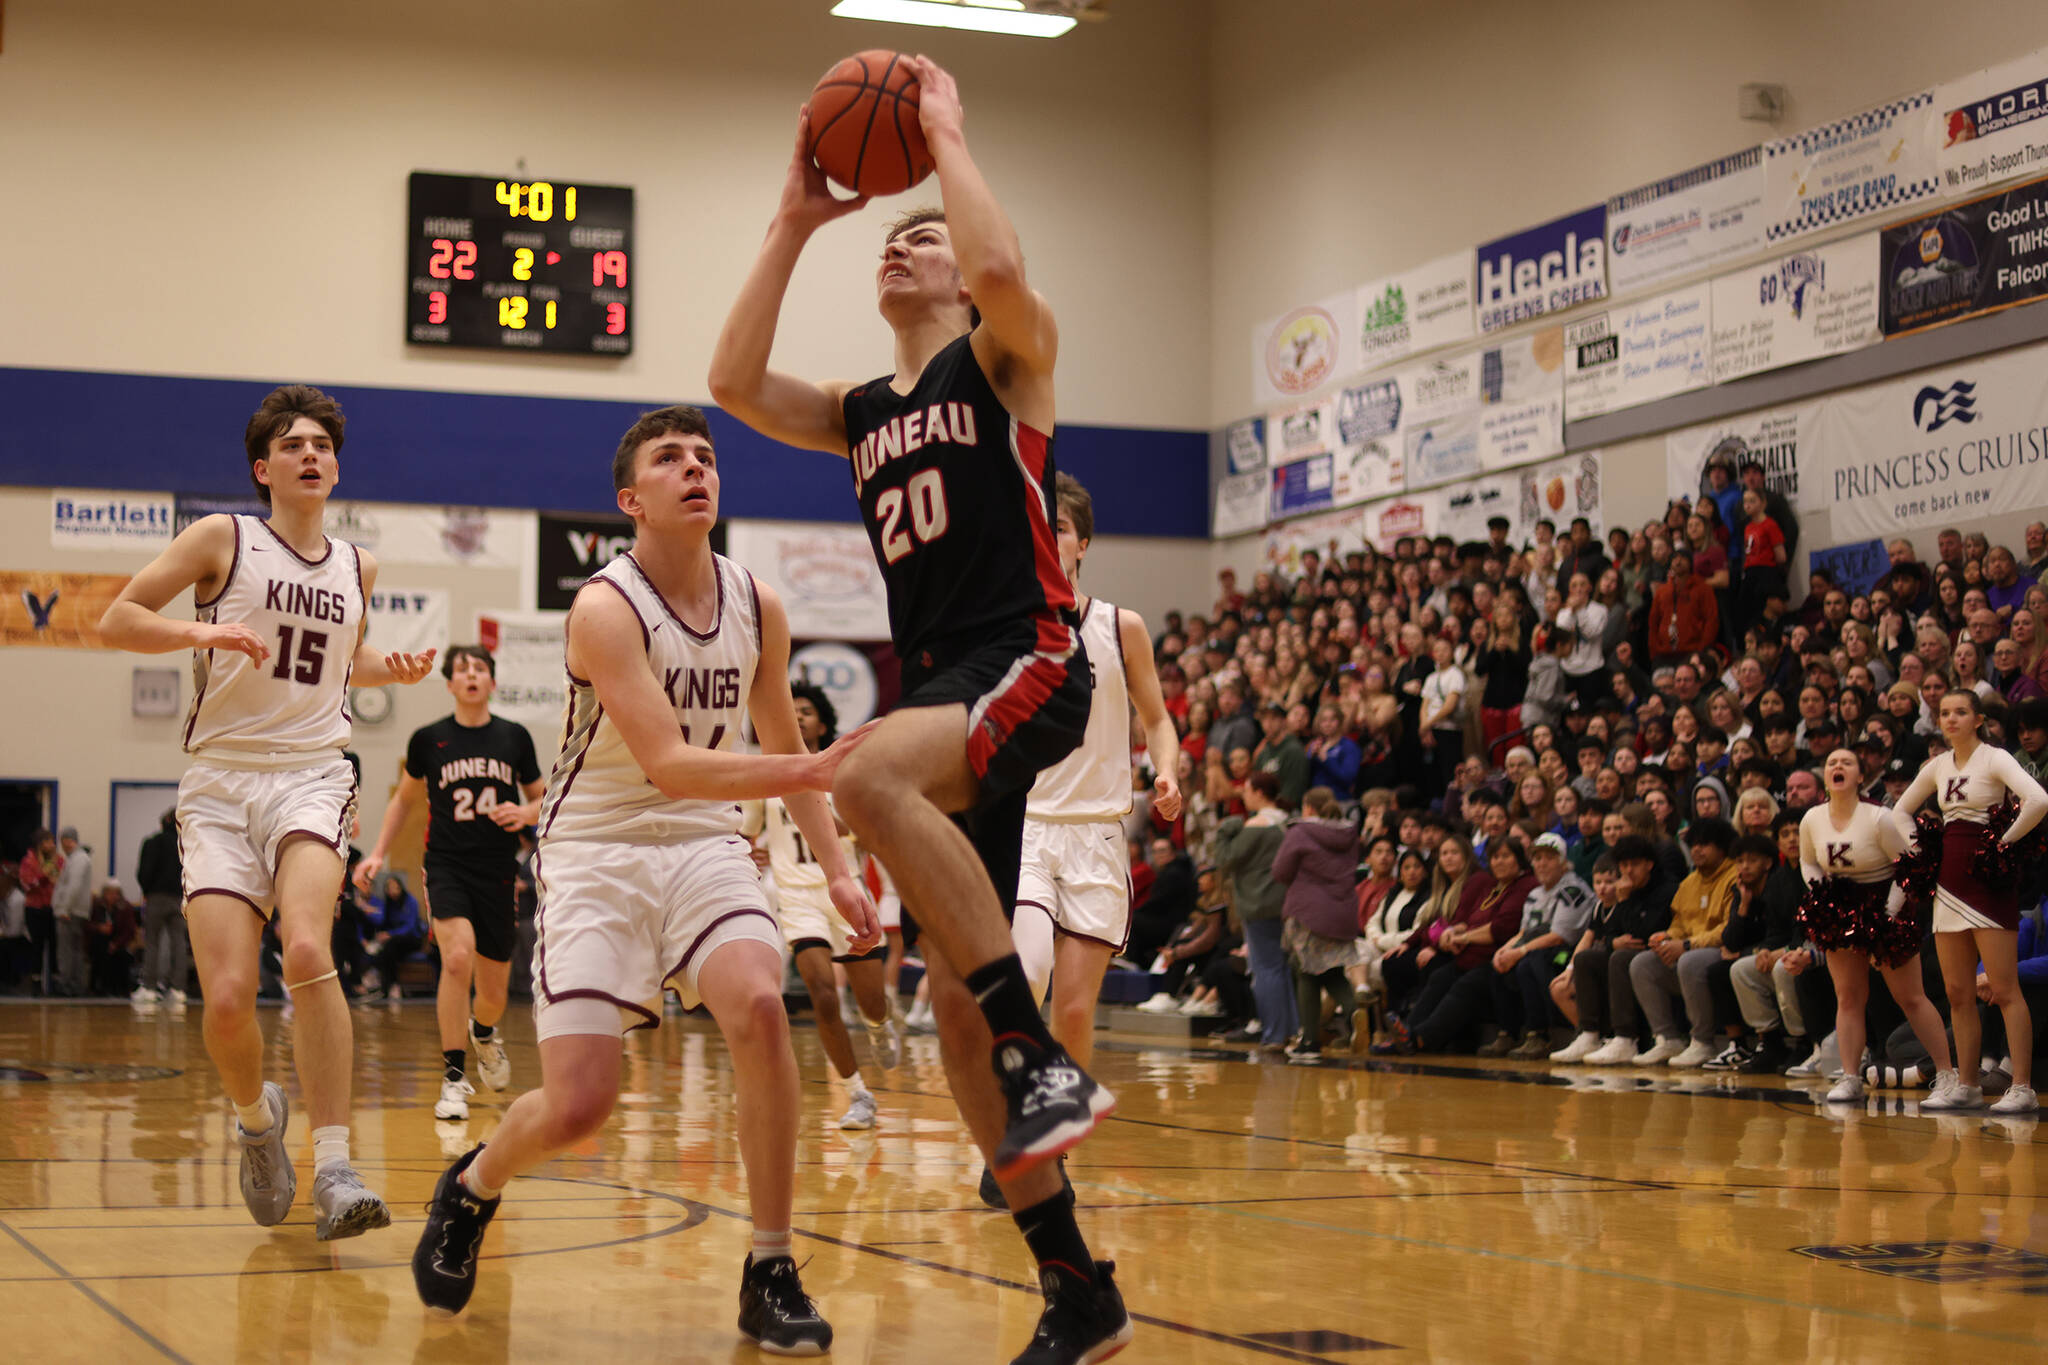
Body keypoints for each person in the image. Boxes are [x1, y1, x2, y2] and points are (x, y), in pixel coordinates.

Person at [708, 67, 1136, 1347]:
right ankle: (1076, 1286)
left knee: (861, 775)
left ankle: (1039, 1047)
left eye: (925, 233)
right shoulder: (859, 412)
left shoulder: (1005, 355)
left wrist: (944, 134)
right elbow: (731, 382)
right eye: (890, 236)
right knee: (950, 1026)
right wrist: (794, 220)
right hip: (948, 691)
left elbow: (1004, 273)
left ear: (963, 271)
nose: (903, 242)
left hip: (1029, 659)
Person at [410, 405, 879, 1352]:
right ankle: (471, 1187)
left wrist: (836, 867)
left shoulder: (759, 602)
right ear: (632, 499)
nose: (696, 468)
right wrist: (814, 773)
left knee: (756, 1003)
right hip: (597, 848)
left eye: (706, 456)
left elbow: (784, 738)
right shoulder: (603, 607)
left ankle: (771, 1264)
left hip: (707, 841)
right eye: (671, 459)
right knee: (582, 1106)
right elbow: (668, 761)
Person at [98, 384, 438, 1240]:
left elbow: (339, 661)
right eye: (293, 444)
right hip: (218, 782)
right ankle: (257, 1123)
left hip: (314, 773)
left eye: (324, 443)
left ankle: (334, 1164)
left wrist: (385, 668)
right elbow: (116, 619)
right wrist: (200, 635)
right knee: (225, 1000)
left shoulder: (359, 565)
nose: (312, 454)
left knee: (312, 944)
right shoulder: (224, 538)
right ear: (264, 467)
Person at [356, 645, 545, 1120]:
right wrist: (378, 852)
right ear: (450, 685)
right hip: (446, 865)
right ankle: (454, 1078)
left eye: (480, 669)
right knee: (456, 958)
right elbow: (402, 801)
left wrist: (525, 812)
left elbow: (544, 798)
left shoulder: (515, 738)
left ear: (492, 682)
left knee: (495, 991)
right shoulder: (428, 739)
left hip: (499, 869)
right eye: (462, 670)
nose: (472, 676)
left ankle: (483, 1034)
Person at [745, 680, 902, 1135]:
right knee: (822, 992)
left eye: (806, 710)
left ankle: (878, 1026)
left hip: (847, 891)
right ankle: (858, 1094)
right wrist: (745, 851)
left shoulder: (847, 772)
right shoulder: (767, 775)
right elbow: (748, 832)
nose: (795, 716)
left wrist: (825, 818)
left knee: (871, 1001)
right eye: (789, 709)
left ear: (824, 722)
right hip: (797, 899)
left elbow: (873, 832)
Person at [1892, 691, 2047, 1114]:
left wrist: (2002, 843)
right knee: (1958, 992)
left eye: (1961, 712)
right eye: (1944, 713)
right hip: (1948, 884)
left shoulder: (1995, 758)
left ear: (1978, 719)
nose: (1951, 719)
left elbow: (2038, 800)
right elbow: (1898, 814)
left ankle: (2022, 1087)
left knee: (2004, 988)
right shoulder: (1938, 766)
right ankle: (1967, 1083)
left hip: (1988, 882)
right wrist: (1921, 852)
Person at [1800, 748, 1955, 1105]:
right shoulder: (1812, 818)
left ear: (1859, 776)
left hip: (1886, 903)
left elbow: (1908, 867)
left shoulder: (1880, 817)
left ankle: (1948, 1074)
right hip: (1839, 907)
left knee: (1910, 997)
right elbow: (1807, 862)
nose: (1838, 766)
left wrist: (1887, 914)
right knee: (1849, 997)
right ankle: (1851, 1076)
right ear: (1826, 776)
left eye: (1847, 762)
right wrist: (1822, 898)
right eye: (1831, 762)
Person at [1274, 788, 1364, 1064]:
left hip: (1308, 912)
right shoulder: (1350, 834)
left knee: (1306, 971)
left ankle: (1311, 1042)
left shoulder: (1300, 832)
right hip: (1343, 911)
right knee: (1330, 971)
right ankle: (1357, 1015)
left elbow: (1280, 871)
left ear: (1308, 807)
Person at [1491, 834, 1596, 1058]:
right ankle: (1508, 1033)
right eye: (1537, 858)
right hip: (1537, 947)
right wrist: (1504, 950)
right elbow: (1524, 932)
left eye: (1549, 857)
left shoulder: (1573, 890)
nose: (1542, 863)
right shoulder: (1534, 894)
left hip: (1569, 953)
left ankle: (1539, 1034)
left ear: (1563, 862)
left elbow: (1559, 936)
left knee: (1530, 962)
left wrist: (1518, 952)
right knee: (1498, 963)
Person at [133, 808, 188, 1003]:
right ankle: (178, 989)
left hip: (156, 897)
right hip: (179, 899)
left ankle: (149, 987)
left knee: (152, 942)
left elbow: (143, 873)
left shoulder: (152, 842)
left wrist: (147, 890)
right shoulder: (186, 845)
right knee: (179, 943)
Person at [51, 827, 93, 997]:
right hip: (75, 910)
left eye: (62, 840)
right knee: (75, 949)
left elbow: (73, 886)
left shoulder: (78, 859)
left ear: (68, 840)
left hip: (70, 911)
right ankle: (76, 984)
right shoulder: (77, 859)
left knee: (67, 950)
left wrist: (63, 908)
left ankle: (67, 984)